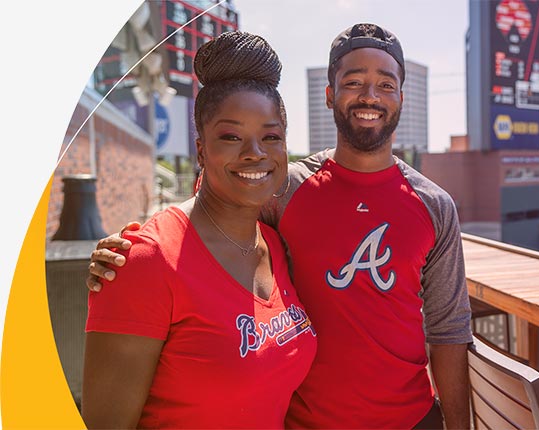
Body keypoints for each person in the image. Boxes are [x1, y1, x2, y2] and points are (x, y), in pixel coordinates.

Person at [88, 23, 473, 429]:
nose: (369, 96)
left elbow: (448, 328)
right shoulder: (284, 189)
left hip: (412, 420)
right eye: (354, 81)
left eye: (385, 84)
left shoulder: (434, 206)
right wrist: (131, 252)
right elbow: (212, 206)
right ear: (329, 95)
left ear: (401, 97)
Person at [81, 31, 317, 430]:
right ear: (201, 149)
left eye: (271, 136)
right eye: (231, 136)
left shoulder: (274, 244)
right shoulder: (146, 259)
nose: (255, 152)